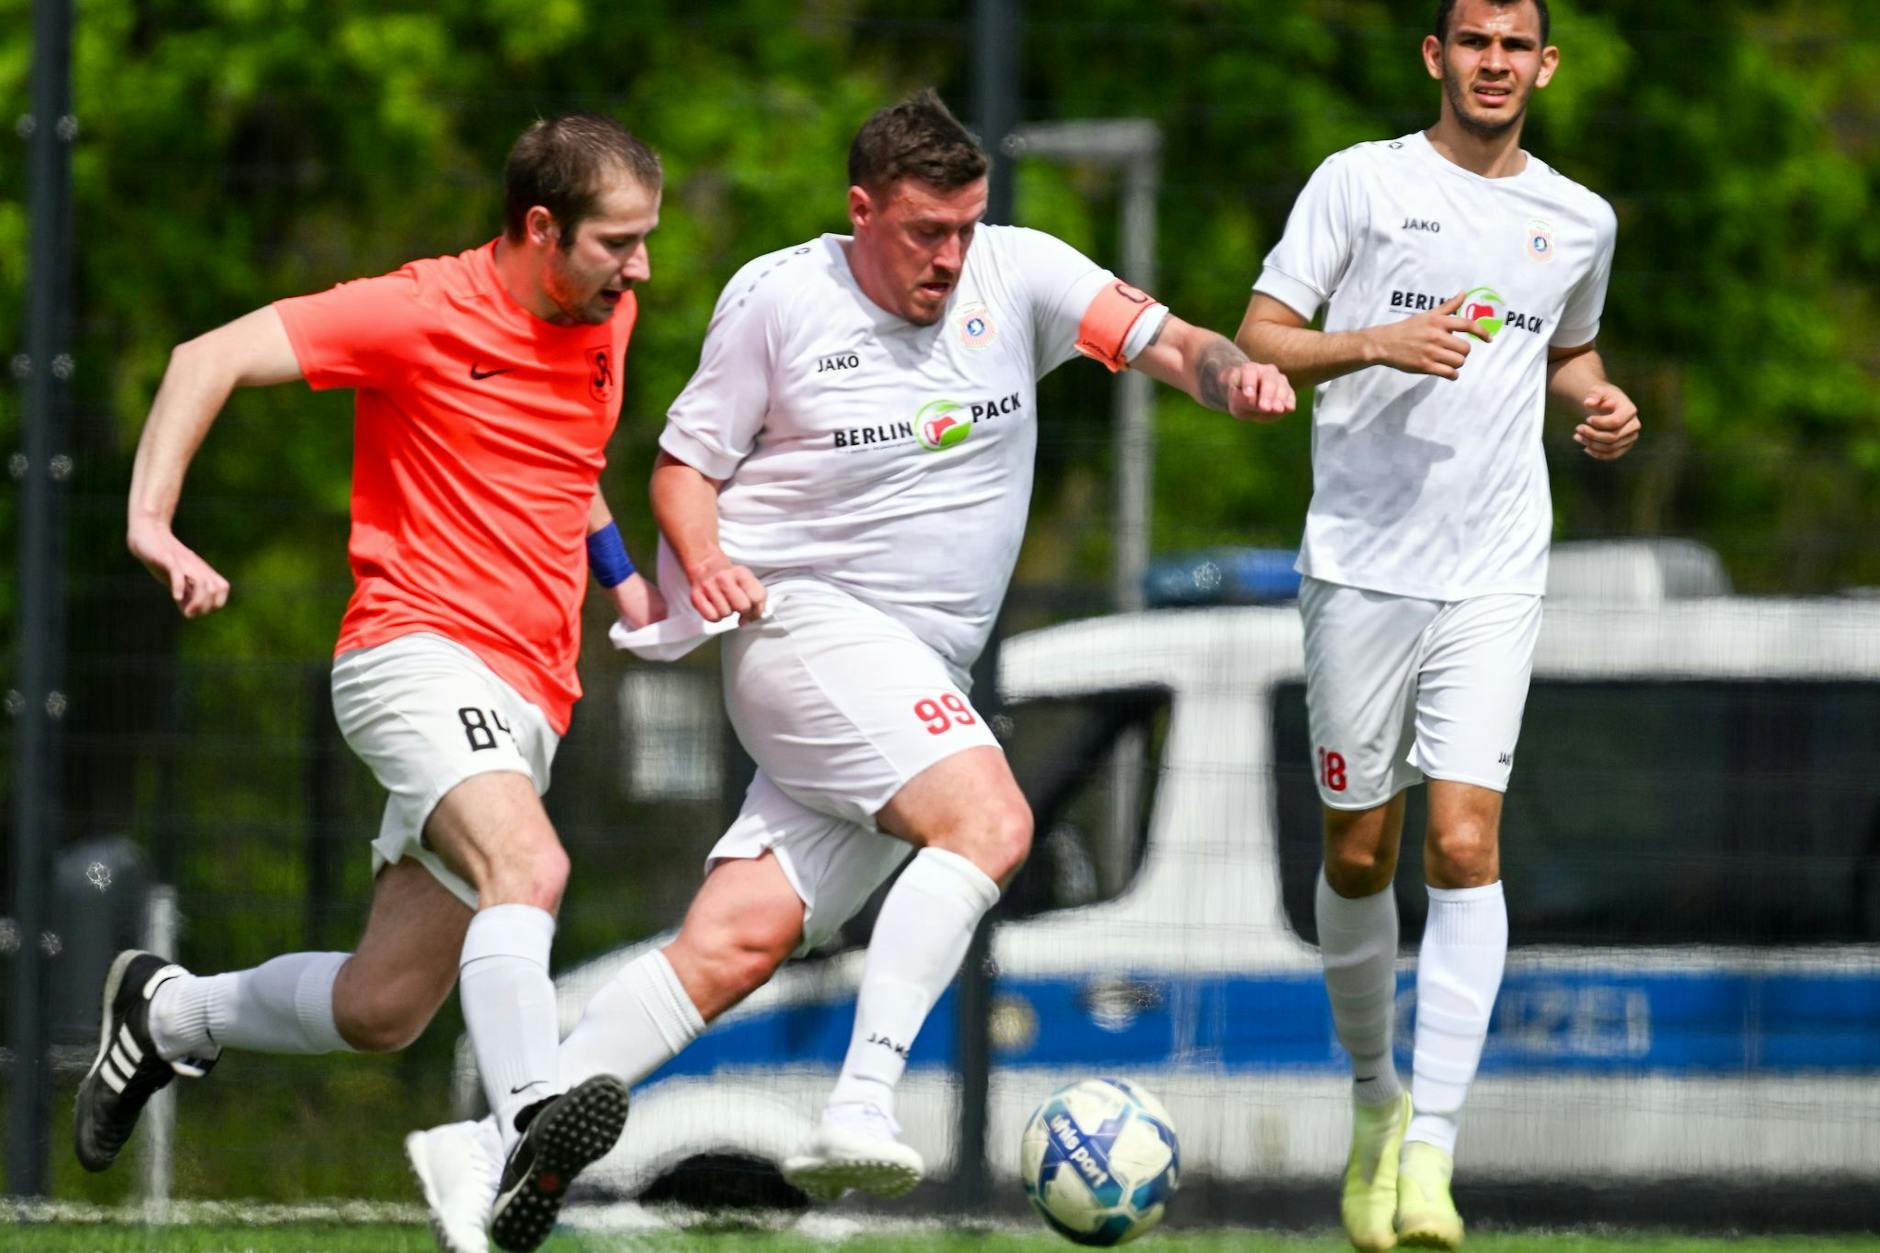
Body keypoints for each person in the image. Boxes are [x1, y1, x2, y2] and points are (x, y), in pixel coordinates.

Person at [404, 87, 1293, 1250]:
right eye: (925, 230)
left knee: (734, 940)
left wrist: (1231, 376)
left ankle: (479, 1151)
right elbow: (681, 470)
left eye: (965, 227)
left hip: (907, 674)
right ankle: (862, 1098)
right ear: (860, 210)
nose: (949, 256)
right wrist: (707, 559)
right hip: (798, 629)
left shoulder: (1015, 273)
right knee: (988, 820)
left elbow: (1169, 339)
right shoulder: (778, 297)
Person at [76, 112, 668, 1253]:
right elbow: (208, 357)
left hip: (527, 697)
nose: (638, 267)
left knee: (383, 1005)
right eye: (617, 242)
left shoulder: (607, 315)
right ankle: (523, 1129)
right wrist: (152, 521)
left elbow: (567, 463)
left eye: (644, 240)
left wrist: (622, 579)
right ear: (540, 228)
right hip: (412, 650)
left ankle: (168, 1009)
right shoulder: (417, 309)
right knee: (530, 863)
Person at [1232, 1, 1641, 1248]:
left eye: (1515, 45)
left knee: (1463, 844)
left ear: (1543, 65)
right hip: (1359, 566)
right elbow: (1259, 337)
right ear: (1436, 55)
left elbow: (1562, 351)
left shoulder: (1579, 217)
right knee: (1359, 855)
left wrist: (1599, 399)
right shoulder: (1358, 183)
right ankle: (1374, 1099)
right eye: (1473, 41)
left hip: (1495, 566)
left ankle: (1432, 1152)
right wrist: (1370, 342)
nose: (1493, 64)